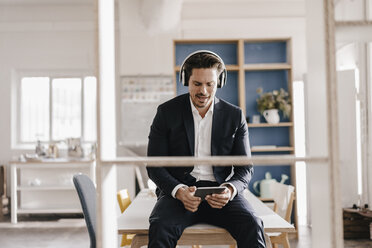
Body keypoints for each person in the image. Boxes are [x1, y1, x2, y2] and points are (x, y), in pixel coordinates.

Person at [146, 50, 266, 247]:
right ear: (186, 81)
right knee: (160, 227)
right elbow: (154, 166)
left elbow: (245, 168)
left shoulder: (234, 116)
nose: (203, 91)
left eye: (210, 84)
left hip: (220, 194)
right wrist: (178, 191)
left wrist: (229, 189)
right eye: (197, 84)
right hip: (179, 194)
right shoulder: (166, 113)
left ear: (219, 82)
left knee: (252, 224)